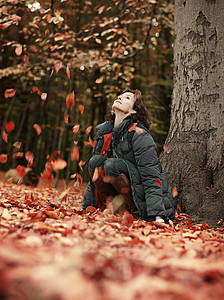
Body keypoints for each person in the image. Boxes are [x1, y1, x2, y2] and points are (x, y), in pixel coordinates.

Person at [82, 89, 175, 223]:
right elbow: (94, 180)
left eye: (127, 98)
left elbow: (151, 175)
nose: (119, 98)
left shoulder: (139, 133)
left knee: (111, 165)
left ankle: (136, 212)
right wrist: (86, 208)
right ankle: (116, 211)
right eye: (119, 96)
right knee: (96, 161)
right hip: (123, 195)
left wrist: (157, 215)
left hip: (145, 202)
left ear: (134, 110)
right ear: (113, 111)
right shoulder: (105, 134)